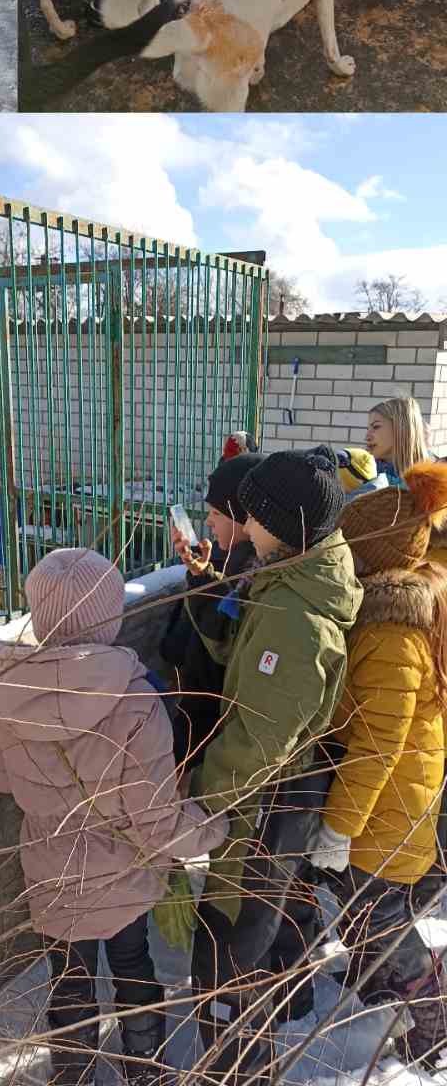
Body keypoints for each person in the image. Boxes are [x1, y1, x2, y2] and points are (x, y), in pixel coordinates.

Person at [0, 546, 228, 1086]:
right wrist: (214, 827)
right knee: (134, 969)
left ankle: (71, 1077)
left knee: (67, 981)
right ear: (110, 615)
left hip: (49, 868)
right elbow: (156, 818)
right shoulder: (136, 702)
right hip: (122, 873)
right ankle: (145, 1072)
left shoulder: (9, 689)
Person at [184, 449, 361, 1080]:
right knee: (243, 942)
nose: (245, 526)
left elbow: (258, 739)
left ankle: (236, 1069)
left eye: (254, 517)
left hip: (264, 809)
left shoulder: (296, 617)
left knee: (228, 959)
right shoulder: (291, 580)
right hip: (272, 802)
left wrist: (200, 804)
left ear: (284, 525)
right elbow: (251, 666)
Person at [311, 462, 447, 1067]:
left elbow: (378, 744)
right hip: (397, 792)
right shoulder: (405, 604)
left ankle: (433, 1014)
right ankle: (386, 980)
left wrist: (339, 825)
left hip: (388, 801)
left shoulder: (391, 628)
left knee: (379, 912)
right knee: (367, 906)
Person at [160, 450, 264, 773]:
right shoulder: (232, 561)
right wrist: (199, 570)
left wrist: (203, 578)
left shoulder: (253, 575)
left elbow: (220, 641)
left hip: (211, 730)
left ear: (247, 518)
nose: (207, 521)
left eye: (217, 512)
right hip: (202, 717)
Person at [367, 394, 435, 484]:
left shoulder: (431, 481)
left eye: (376, 427)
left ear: (401, 429)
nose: (367, 436)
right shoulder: (363, 472)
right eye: (368, 429)